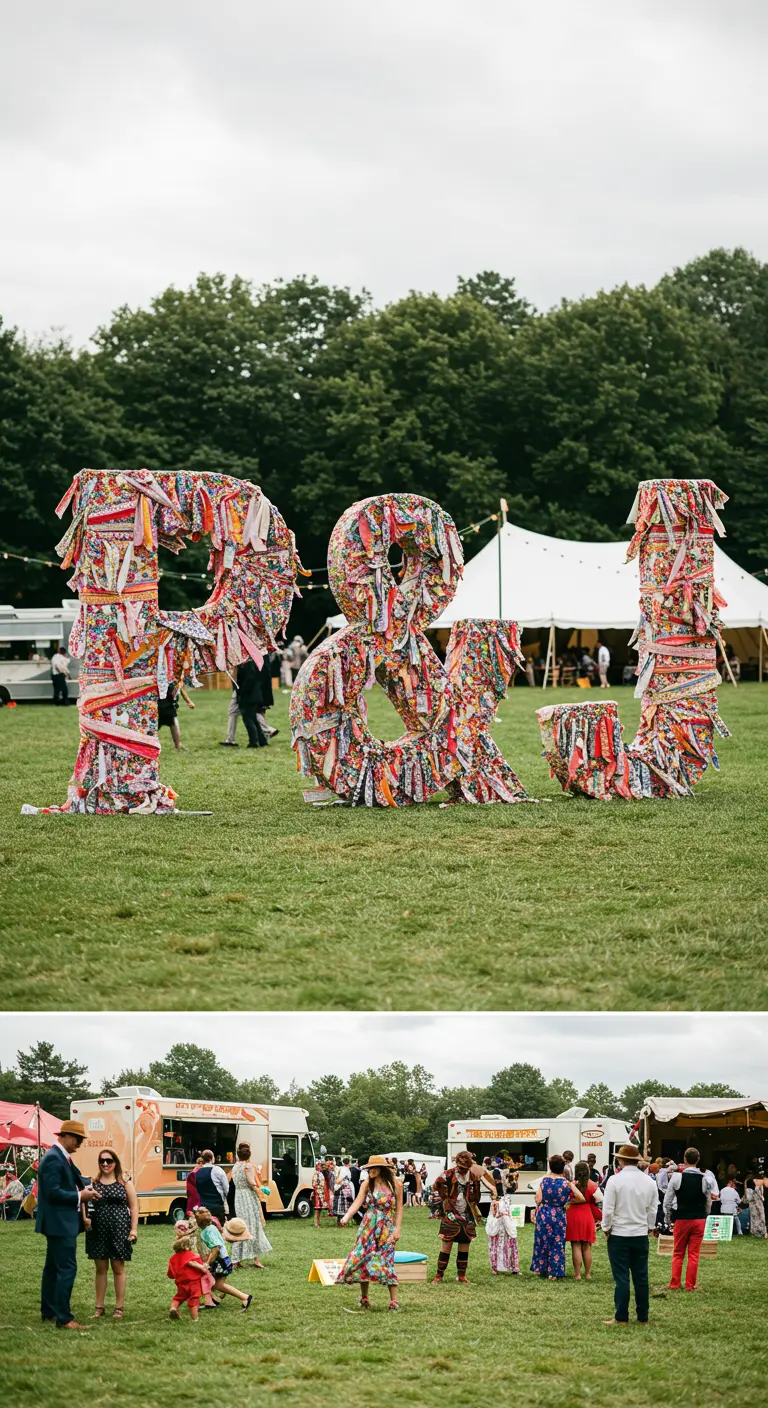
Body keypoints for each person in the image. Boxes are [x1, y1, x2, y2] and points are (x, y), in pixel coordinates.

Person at [35, 1119, 103, 1330]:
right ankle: (64, 1318)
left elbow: (76, 1178)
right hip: (59, 1222)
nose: (80, 1144)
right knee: (67, 1268)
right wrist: (80, 1196)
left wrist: (89, 1189)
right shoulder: (55, 1159)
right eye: (78, 1139)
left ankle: (49, 1311)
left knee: (53, 1268)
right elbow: (53, 1192)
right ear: (68, 1137)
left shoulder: (60, 1157)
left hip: (57, 1222)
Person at [601, 1144, 658, 1326]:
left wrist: (606, 1228)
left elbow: (608, 1210)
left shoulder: (614, 1181)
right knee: (641, 1277)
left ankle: (621, 1317)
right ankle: (643, 1317)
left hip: (619, 1233)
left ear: (621, 1160)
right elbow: (653, 1209)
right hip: (640, 1233)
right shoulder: (649, 1181)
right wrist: (649, 1226)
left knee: (622, 1277)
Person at [338, 1155, 403, 1311]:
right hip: (368, 1225)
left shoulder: (395, 1184)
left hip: (386, 1226)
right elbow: (357, 1202)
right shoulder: (367, 1184)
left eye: (372, 1169)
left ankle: (394, 1301)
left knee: (386, 1260)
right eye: (367, 1169)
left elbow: (399, 1209)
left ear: (380, 1169)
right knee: (363, 1258)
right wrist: (346, 1217)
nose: (369, 1172)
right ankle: (364, 1298)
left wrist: (397, 1229)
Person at [84, 1149, 138, 1319]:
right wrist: (85, 1219)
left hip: (119, 1229)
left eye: (109, 1160)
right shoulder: (93, 1183)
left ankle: (119, 1308)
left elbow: (134, 1206)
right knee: (100, 1269)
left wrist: (133, 1229)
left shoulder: (124, 1183)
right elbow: (84, 1203)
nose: (105, 1164)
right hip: (98, 1230)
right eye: (102, 1161)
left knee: (118, 1268)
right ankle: (99, 1307)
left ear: (115, 1162)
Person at [432, 1151, 488, 1284]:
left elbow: (476, 1197)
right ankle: (439, 1275)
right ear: (457, 1164)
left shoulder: (473, 1176)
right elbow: (436, 1186)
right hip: (451, 1212)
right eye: (461, 1167)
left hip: (467, 1214)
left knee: (465, 1244)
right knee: (446, 1244)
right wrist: (444, 1197)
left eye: (465, 1168)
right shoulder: (447, 1174)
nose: (463, 1170)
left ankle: (462, 1276)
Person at [663, 1147, 715, 1291]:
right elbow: (708, 1202)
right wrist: (705, 1215)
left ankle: (674, 1283)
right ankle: (690, 1285)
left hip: (682, 1218)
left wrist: (668, 1220)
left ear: (684, 1159)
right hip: (699, 1219)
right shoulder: (705, 1179)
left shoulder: (677, 1178)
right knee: (694, 1254)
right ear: (698, 1159)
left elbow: (667, 1202)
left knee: (678, 1252)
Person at [530, 1155, 584, 1280]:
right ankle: (555, 1272)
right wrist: (568, 1201)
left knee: (542, 1241)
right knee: (557, 1242)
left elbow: (537, 1198)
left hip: (544, 1213)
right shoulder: (566, 1183)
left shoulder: (544, 1181)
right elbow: (581, 1197)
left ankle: (542, 1269)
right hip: (558, 1214)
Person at [193, 1208, 253, 1310]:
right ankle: (212, 1301)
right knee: (210, 1281)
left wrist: (207, 1262)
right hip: (224, 1260)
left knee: (218, 1285)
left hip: (221, 1262)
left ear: (199, 1222)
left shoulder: (206, 1232)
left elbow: (216, 1248)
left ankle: (245, 1297)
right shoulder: (212, 1227)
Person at [229, 1143, 272, 1268]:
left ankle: (236, 1259)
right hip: (248, 1196)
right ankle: (255, 1259)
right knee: (252, 1225)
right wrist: (262, 1188)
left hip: (239, 1197)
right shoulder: (248, 1166)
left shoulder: (235, 1166)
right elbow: (252, 1182)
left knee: (240, 1225)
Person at [167, 1219, 214, 1320]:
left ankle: (173, 1308)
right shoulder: (193, 1256)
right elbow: (201, 1269)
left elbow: (170, 1274)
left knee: (178, 1297)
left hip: (181, 1283)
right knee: (194, 1299)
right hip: (194, 1283)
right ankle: (195, 1318)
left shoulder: (172, 1259)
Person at [566, 1160, 602, 1280]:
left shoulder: (571, 1184)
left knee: (575, 1244)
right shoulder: (593, 1185)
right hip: (586, 1214)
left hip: (573, 1214)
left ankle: (577, 1274)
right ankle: (587, 1273)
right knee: (587, 1245)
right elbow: (599, 1199)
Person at [234, 659, 269, 748]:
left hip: (248, 697)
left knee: (248, 720)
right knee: (253, 719)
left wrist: (241, 694)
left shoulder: (244, 666)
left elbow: (246, 681)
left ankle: (253, 741)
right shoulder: (251, 663)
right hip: (255, 695)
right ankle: (262, 740)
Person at [486, 1193, 520, 1275]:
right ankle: (495, 1268)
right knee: (496, 1244)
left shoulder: (506, 1198)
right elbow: (494, 1213)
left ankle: (514, 1267)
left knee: (510, 1242)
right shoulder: (495, 1202)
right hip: (497, 1223)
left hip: (507, 1223)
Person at [194, 1150, 229, 1222]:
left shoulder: (197, 1172)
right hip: (217, 1205)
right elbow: (226, 1188)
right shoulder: (217, 1170)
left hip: (203, 1205)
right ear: (211, 1158)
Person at [157, 683, 194, 751]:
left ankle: (178, 744)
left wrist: (189, 702)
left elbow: (181, 689)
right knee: (170, 724)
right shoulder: (165, 679)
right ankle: (177, 745)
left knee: (173, 723)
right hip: (162, 706)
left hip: (169, 706)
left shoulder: (175, 681)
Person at [333, 1161, 356, 1226]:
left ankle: (342, 1221)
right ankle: (341, 1221)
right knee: (342, 1205)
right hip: (343, 1188)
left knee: (343, 1205)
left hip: (344, 1188)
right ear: (348, 1163)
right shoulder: (344, 1169)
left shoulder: (343, 1169)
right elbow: (341, 1180)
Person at [312, 1160, 331, 1228]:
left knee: (319, 1209)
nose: (320, 1167)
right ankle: (316, 1222)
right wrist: (318, 1189)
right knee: (317, 1209)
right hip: (318, 1192)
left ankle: (318, 1222)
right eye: (319, 1166)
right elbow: (314, 1184)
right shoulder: (316, 1174)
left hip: (322, 1192)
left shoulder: (321, 1173)